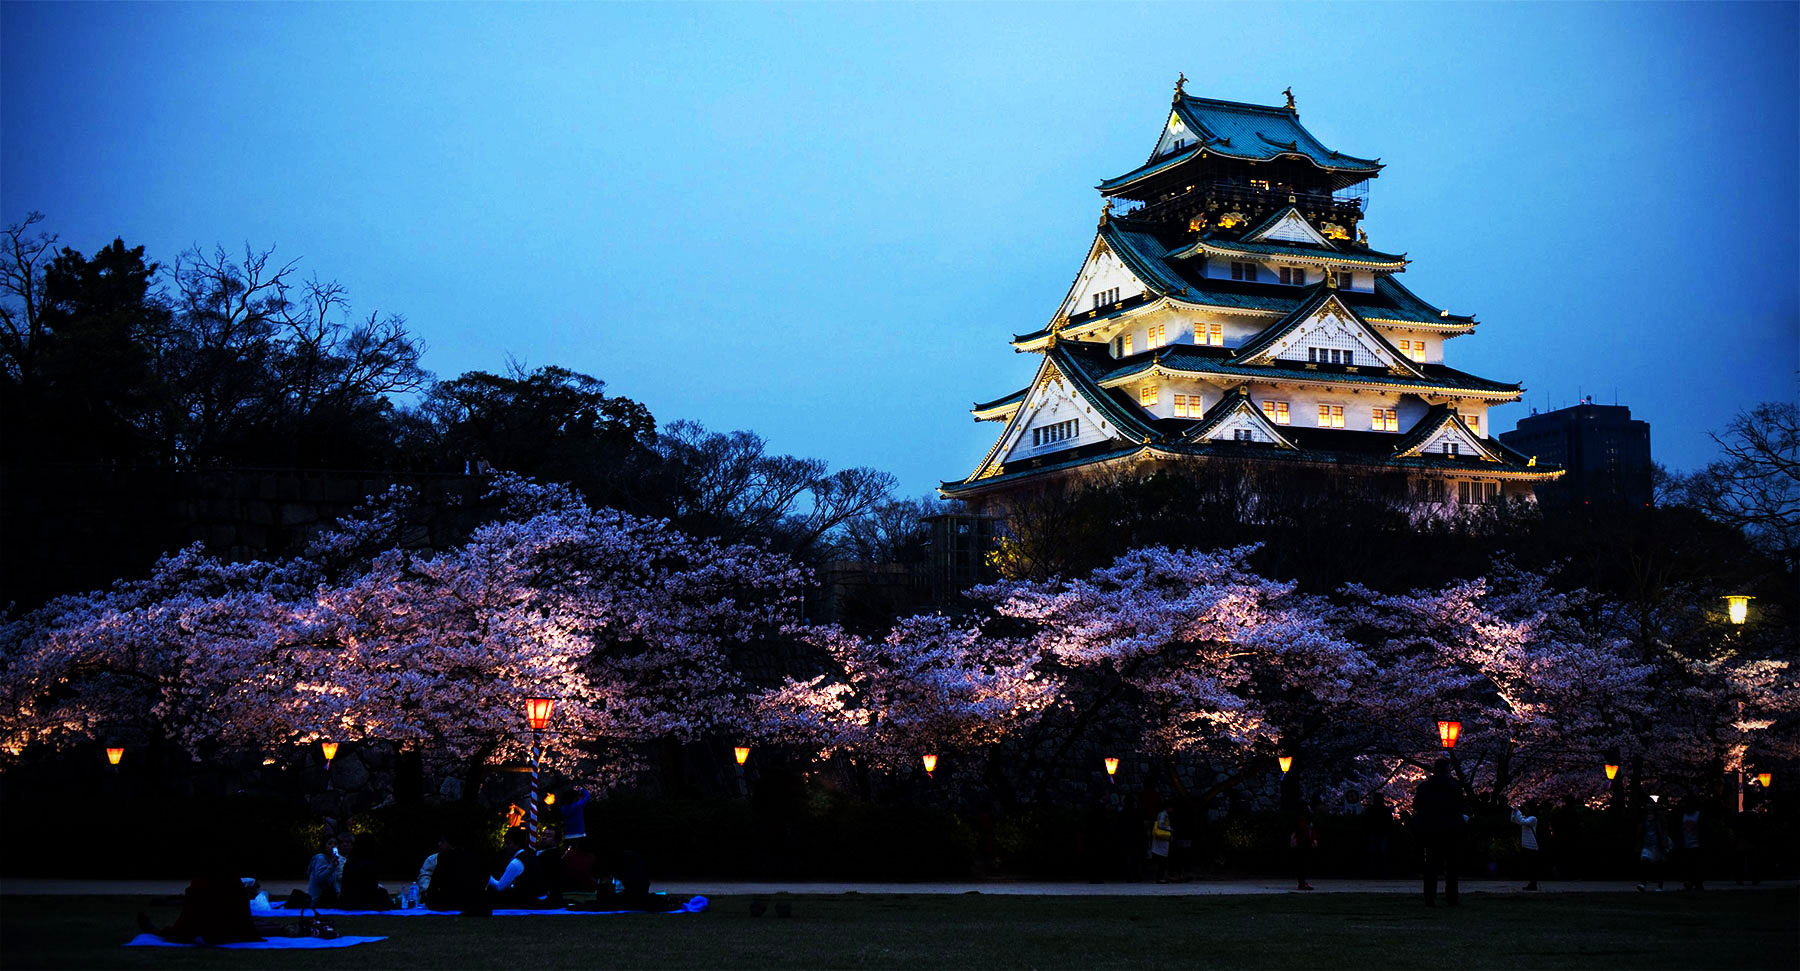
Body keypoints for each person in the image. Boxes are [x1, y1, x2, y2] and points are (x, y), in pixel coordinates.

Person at [137, 849, 265, 945]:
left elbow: (190, 914)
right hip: (234, 931)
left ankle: (157, 931)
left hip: (217, 934)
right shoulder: (232, 880)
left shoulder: (203, 881)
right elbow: (243, 912)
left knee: (185, 926)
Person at [1413, 758, 1465, 906]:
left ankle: (1430, 897)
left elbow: (1417, 805)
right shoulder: (1454, 786)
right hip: (1451, 830)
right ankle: (1452, 897)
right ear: (1447, 769)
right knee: (1452, 866)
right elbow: (1461, 806)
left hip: (1430, 830)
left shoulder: (1425, 786)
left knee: (1431, 866)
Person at [488, 827, 544, 908]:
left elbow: (500, 887)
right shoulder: (531, 856)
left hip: (527, 901)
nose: (505, 846)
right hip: (537, 898)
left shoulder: (517, 862)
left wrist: (487, 877)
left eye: (508, 843)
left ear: (518, 844)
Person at [335, 833, 394, 910]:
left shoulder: (350, 861)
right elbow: (371, 887)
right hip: (363, 900)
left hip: (347, 901)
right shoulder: (370, 863)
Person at [303, 832, 346, 908]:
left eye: (335, 844)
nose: (333, 846)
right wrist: (332, 865)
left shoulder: (333, 859)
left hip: (326, 896)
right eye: (330, 844)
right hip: (318, 899)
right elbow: (320, 878)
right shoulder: (321, 858)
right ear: (324, 846)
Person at [1637, 802, 1671, 891]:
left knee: (1658, 865)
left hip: (1657, 845)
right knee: (1644, 862)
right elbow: (1641, 831)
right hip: (1647, 844)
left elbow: (1664, 830)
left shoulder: (1659, 819)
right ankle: (1643, 883)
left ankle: (1660, 886)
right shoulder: (1645, 818)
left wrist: (1664, 843)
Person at [1510, 802, 1541, 891]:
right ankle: (1531, 883)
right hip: (1526, 845)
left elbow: (1523, 821)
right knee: (1528, 866)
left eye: (1527, 807)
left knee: (1532, 866)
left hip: (1532, 845)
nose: (1526, 809)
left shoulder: (1533, 819)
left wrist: (1518, 812)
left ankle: (1533, 884)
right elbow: (1514, 820)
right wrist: (1514, 812)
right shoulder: (1527, 818)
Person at [1364, 792, 1392, 878]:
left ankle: (1372, 872)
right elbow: (1389, 822)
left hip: (1373, 832)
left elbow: (1366, 821)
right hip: (1383, 832)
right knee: (1383, 853)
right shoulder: (1386, 810)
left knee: (1372, 853)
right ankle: (1384, 872)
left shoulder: (1370, 810)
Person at [1291, 802, 1317, 891]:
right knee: (1302, 864)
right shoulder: (1303, 820)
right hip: (1303, 844)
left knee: (1302, 864)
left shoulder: (1306, 821)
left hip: (1304, 843)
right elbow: (1304, 833)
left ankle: (1302, 882)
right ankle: (1302, 883)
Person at [1678, 801, 1703, 891]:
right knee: (1690, 865)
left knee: (1695, 865)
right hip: (1687, 843)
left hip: (1695, 844)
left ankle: (1696, 883)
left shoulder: (1697, 815)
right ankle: (1692, 882)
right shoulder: (1684, 815)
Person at [1148, 805, 1173, 883]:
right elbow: (1160, 825)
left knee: (1160, 859)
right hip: (1161, 839)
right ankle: (1160, 877)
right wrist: (1169, 829)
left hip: (1161, 839)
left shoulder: (1163, 814)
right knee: (1162, 859)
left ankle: (1160, 877)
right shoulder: (1163, 815)